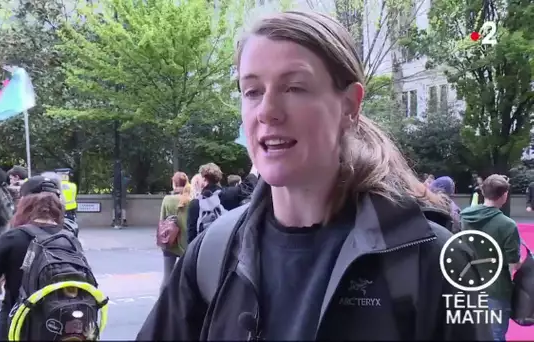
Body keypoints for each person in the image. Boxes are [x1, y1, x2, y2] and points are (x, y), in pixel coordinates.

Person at [137, 11, 489, 341]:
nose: (268, 112)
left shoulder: (435, 260)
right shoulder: (210, 256)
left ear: (350, 105)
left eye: (294, 88)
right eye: (253, 91)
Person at [0, 177, 66, 341]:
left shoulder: (13, 238)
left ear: (24, 203)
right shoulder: (69, 239)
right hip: (60, 329)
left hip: (18, 329)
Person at [460, 174, 522, 341]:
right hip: (495, 288)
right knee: (495, 335)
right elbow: (513, 264)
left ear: (482, 191)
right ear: (504, 195)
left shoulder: (464, 216)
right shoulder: (507, 225)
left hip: (467, 285)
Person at [186, 163, 257, 243]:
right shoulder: (230, 194)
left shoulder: (195, 204)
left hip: (204, 250)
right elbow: (249, 185)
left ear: (204, 179)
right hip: (226, 247)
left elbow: (191, 237)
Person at [158, 172, 191, 291]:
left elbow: (162, 220)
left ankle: (163, 303)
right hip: (185, 242)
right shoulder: (190, 200)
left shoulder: (167, 199)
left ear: (173, 183)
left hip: (170, 242)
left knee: (167, 276)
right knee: (186, 277)